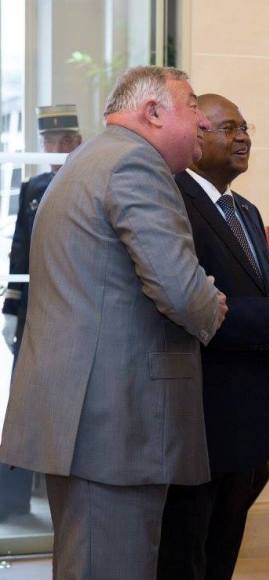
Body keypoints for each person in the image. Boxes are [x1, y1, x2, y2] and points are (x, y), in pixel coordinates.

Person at [0, 66, 228, 580]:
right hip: (115, 424)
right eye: (192, 106)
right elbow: (181, 290)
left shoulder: (91, 159)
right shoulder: (134, 165)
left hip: (87, 419)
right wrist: (211, 302)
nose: (204, 124)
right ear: (152, 112)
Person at [157, 93, 269, 580]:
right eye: (229, 128)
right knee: (186, 555)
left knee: (222, 554)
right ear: (197, 136)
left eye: (245, 127)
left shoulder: (246, 211)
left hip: (251, 425)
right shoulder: (173, 202)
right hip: (203, 425)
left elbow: (249, 297)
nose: (244, 137)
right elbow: (193, 308)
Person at [0, 104, 82, 522]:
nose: (55, 148)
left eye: (61, 141)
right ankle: (12, 501)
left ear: (75, 142)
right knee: (23, 403)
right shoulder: (33, 188)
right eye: (49, 142)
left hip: (73, 313)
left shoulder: (86, 182)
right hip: (35, 311)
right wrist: (12, 306)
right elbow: (19, 249)